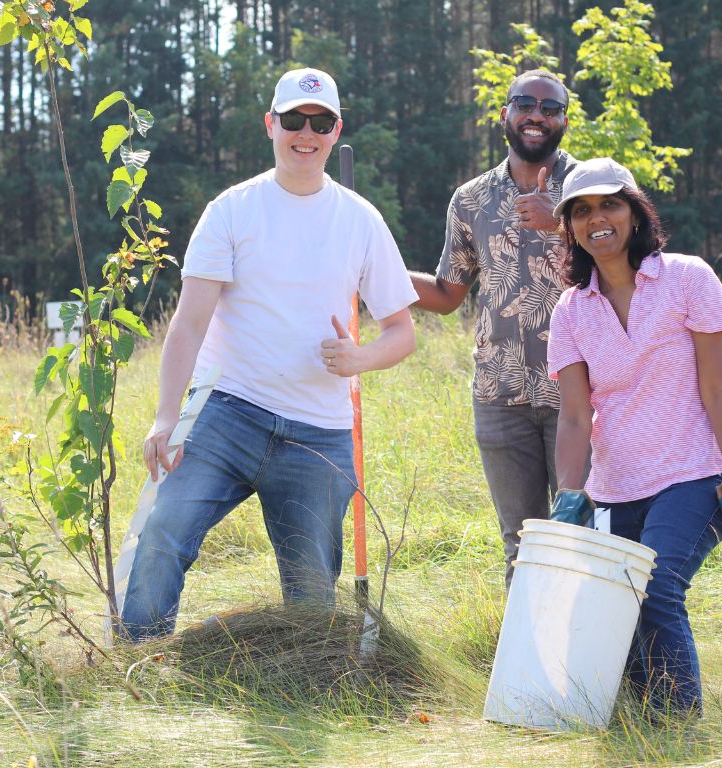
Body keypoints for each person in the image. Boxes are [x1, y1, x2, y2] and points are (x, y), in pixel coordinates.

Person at [120, 68, 418, 641]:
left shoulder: (360, 219)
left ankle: (297, 697)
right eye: (293, 121)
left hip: (319, 435)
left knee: (311, 600)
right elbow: (188, 324)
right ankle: (137, 666)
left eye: (320, 122)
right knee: (161, 532)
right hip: (227, 413)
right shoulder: (232, 210)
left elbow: (402, 332)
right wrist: (165, 417)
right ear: (270, 124)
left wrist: (360, 359)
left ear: (336, 131)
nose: (305, 134)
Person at [546, 157, 722, 715]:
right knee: (614, 604)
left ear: (633, 212)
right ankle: (636, 718)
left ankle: (679, 723)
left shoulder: (687, 278)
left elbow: (717, 389)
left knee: (654, 588)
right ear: (571, 229)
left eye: (609, 204)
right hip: (618, 483)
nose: (596, 219)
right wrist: (569, 492)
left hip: (692, 472)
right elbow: (576, 416)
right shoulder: (571, 310)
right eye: (581, 211)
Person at [410, 70, 580, 588]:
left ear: (564, 121)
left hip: (582, 396)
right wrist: (371, 273)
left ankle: (603, 664)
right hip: (499, 395)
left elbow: (636, 266)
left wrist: (565, 220)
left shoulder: (593, 186)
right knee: (522, 544)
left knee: (588, 535)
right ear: (504, 114)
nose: (536, 116)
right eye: (524, 104)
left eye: (549, 108)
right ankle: (526, 669)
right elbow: (447, 293)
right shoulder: (471, 199)